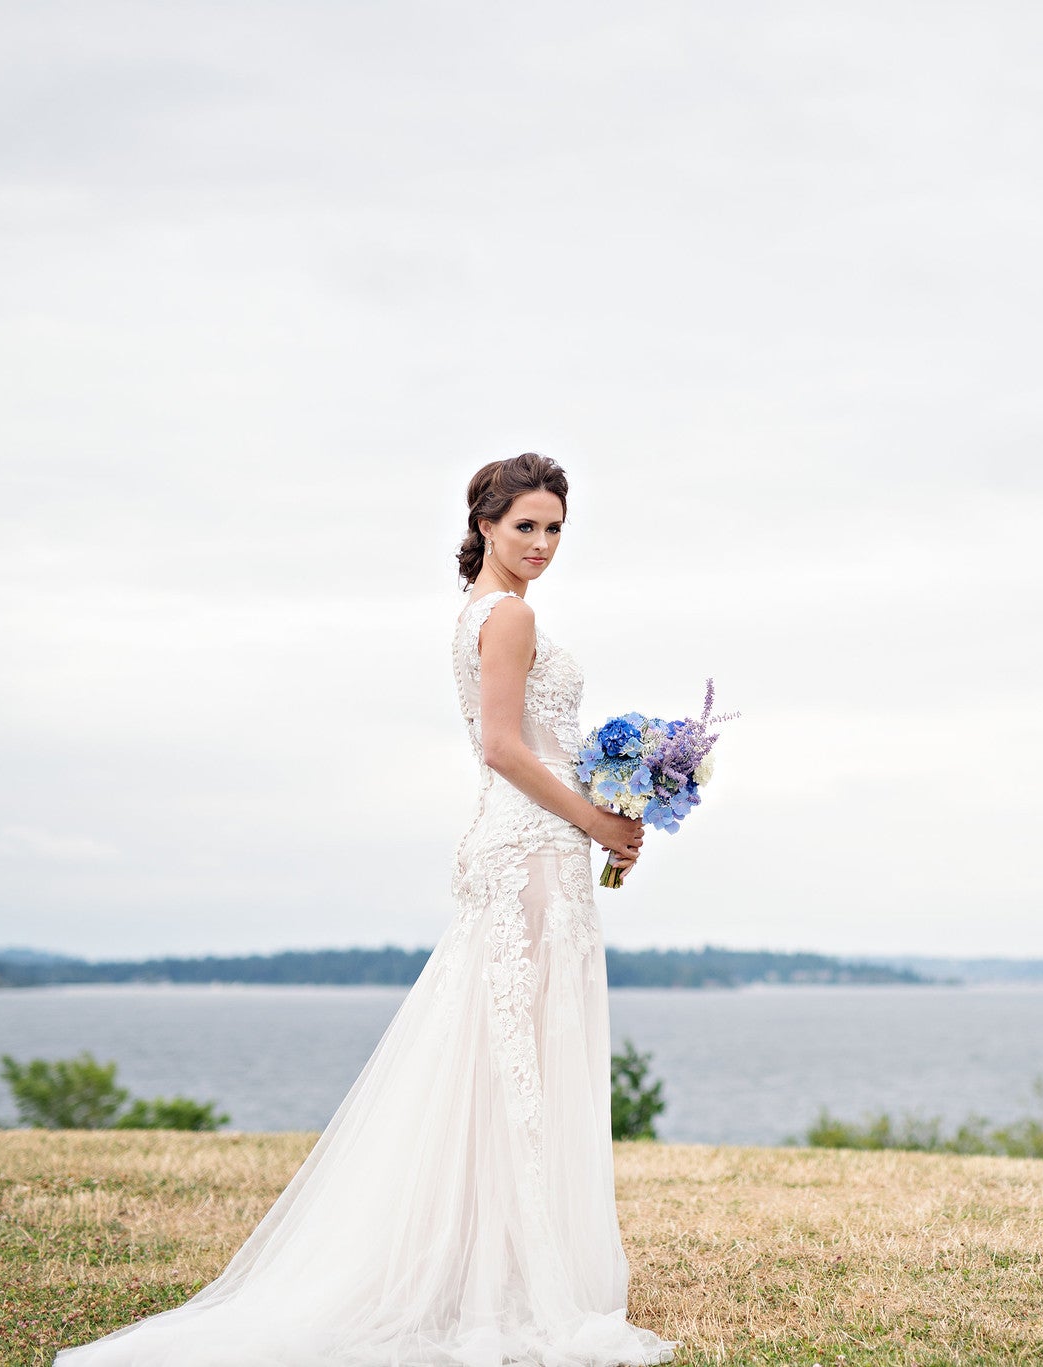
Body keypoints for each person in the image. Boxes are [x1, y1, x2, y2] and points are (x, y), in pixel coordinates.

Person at [56, 453, 679, 1366]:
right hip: (531, 851)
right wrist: (596, 818)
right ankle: (503, 1282)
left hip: (527, 844)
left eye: (554, 529)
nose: (542, 545)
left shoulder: (475, 614)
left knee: (507, 1061)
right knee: (518, 1063)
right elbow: (504, 748)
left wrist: (621, 790)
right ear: (485, 527)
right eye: (525, 528)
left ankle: (493, 1262)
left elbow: (531, 739)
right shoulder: (508, 615)